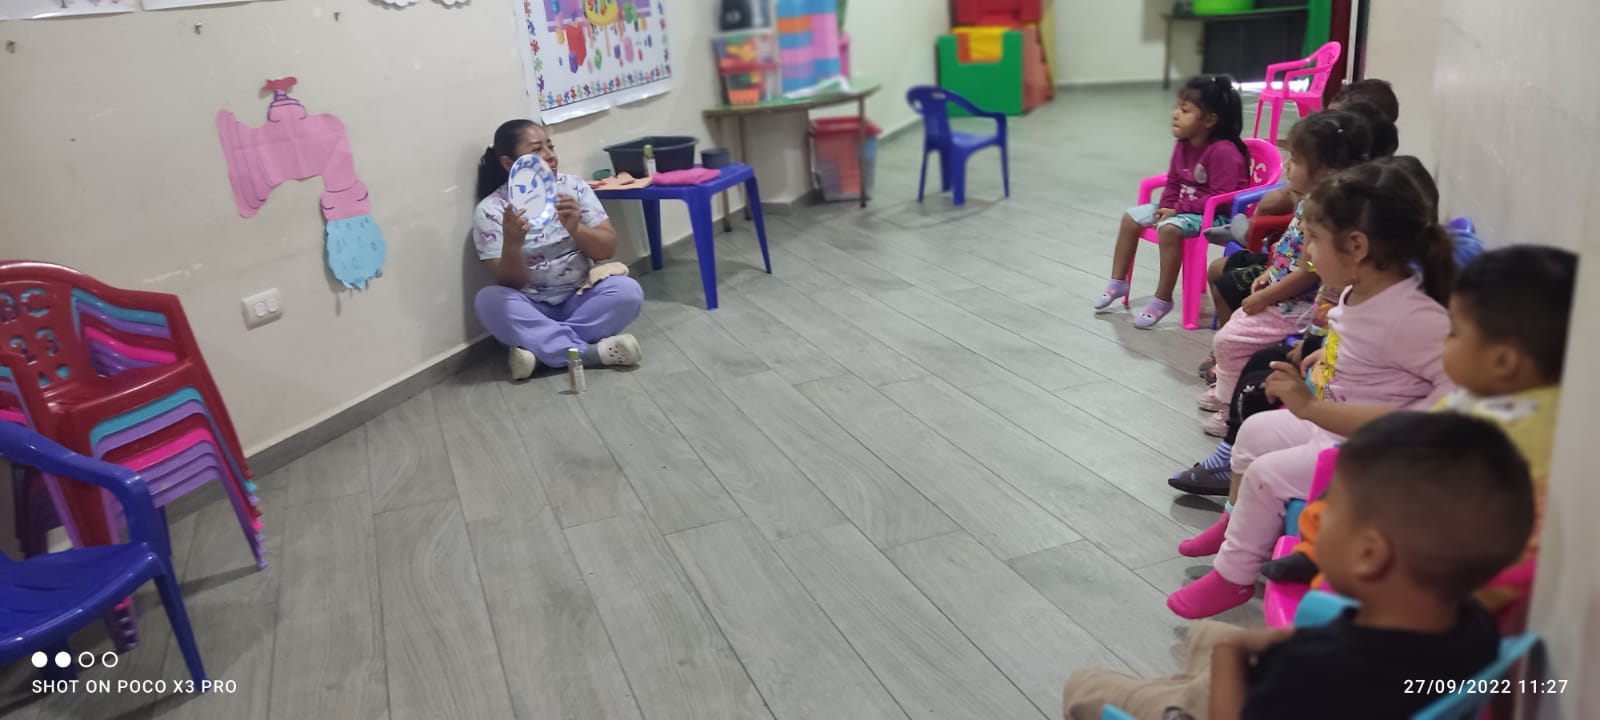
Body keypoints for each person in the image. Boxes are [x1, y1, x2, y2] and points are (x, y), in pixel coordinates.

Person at [1062, 412, 1531, 720]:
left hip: (1242, 703)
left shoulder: (1316, 670)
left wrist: (1231, 661)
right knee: (1208, 635)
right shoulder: (1476, 626)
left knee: (1088, 684)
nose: (1311, 521)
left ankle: (1176, 700)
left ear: (1370, 554)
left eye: (1326, 513)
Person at [1168, 158, 1458, 619]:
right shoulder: (1360, 288)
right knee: (1254, 433)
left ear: (1356, 246)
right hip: (1336, 427)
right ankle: (1234, 524)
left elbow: (1453, 396)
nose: (1306, 252)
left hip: (1377, 456)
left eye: (1314, 239)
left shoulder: (1412, 317)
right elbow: (1366, 350)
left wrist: (1313, 408)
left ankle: (1233, 575)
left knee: (1267, 475)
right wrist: (1323, 357)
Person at [1260, 245, 1575, 620]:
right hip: (1420, 517)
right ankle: (1314, 553)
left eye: (1454, 332)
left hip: (1430, 574)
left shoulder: (1518, 433)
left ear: (1503, 361)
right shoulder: (1496, 397)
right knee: (1352, 470)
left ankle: (1328, 586)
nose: (1445, 343)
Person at [1196, 110, 1383, 437]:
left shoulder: (1325, 216)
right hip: (1284, 292)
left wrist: (1266, 296)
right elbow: (1291, 249)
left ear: (1325, 172)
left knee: (1229, 339)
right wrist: (1270, 272)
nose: (1286, 166)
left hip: (1299, 304)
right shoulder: (1309, 203)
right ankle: (1227, 388)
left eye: (1294, 160)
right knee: (1233, 324)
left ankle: (1229, 407)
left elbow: (1310, 271)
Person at [471, 119, 644, 381]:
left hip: (580, 297)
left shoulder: (573, 188)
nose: (550, 155)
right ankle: (589, 353)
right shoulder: (492, 210)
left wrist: (577, 230)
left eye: (550, 146)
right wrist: (513, 246)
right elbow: (509, 283)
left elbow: (606, 249)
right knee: (488, 301)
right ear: (509, 163)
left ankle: (543, 352)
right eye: (537, 149)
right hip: (531, 305)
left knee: (627, 291)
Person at [1093, 75, 1251, 329]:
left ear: (1209, 120)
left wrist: (1175, 210)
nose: (1175, 114)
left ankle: (1163, 299)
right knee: (1130, 218)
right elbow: (1174, 182)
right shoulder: (1183, 145)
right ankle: (1118, 282)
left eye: (1185, 110)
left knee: (1169, 230)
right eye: (1177, 107)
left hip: (1217, 216)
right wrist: (1166, 207)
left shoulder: (1224, 151)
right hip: (1183, 210)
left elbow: (1219, 199)